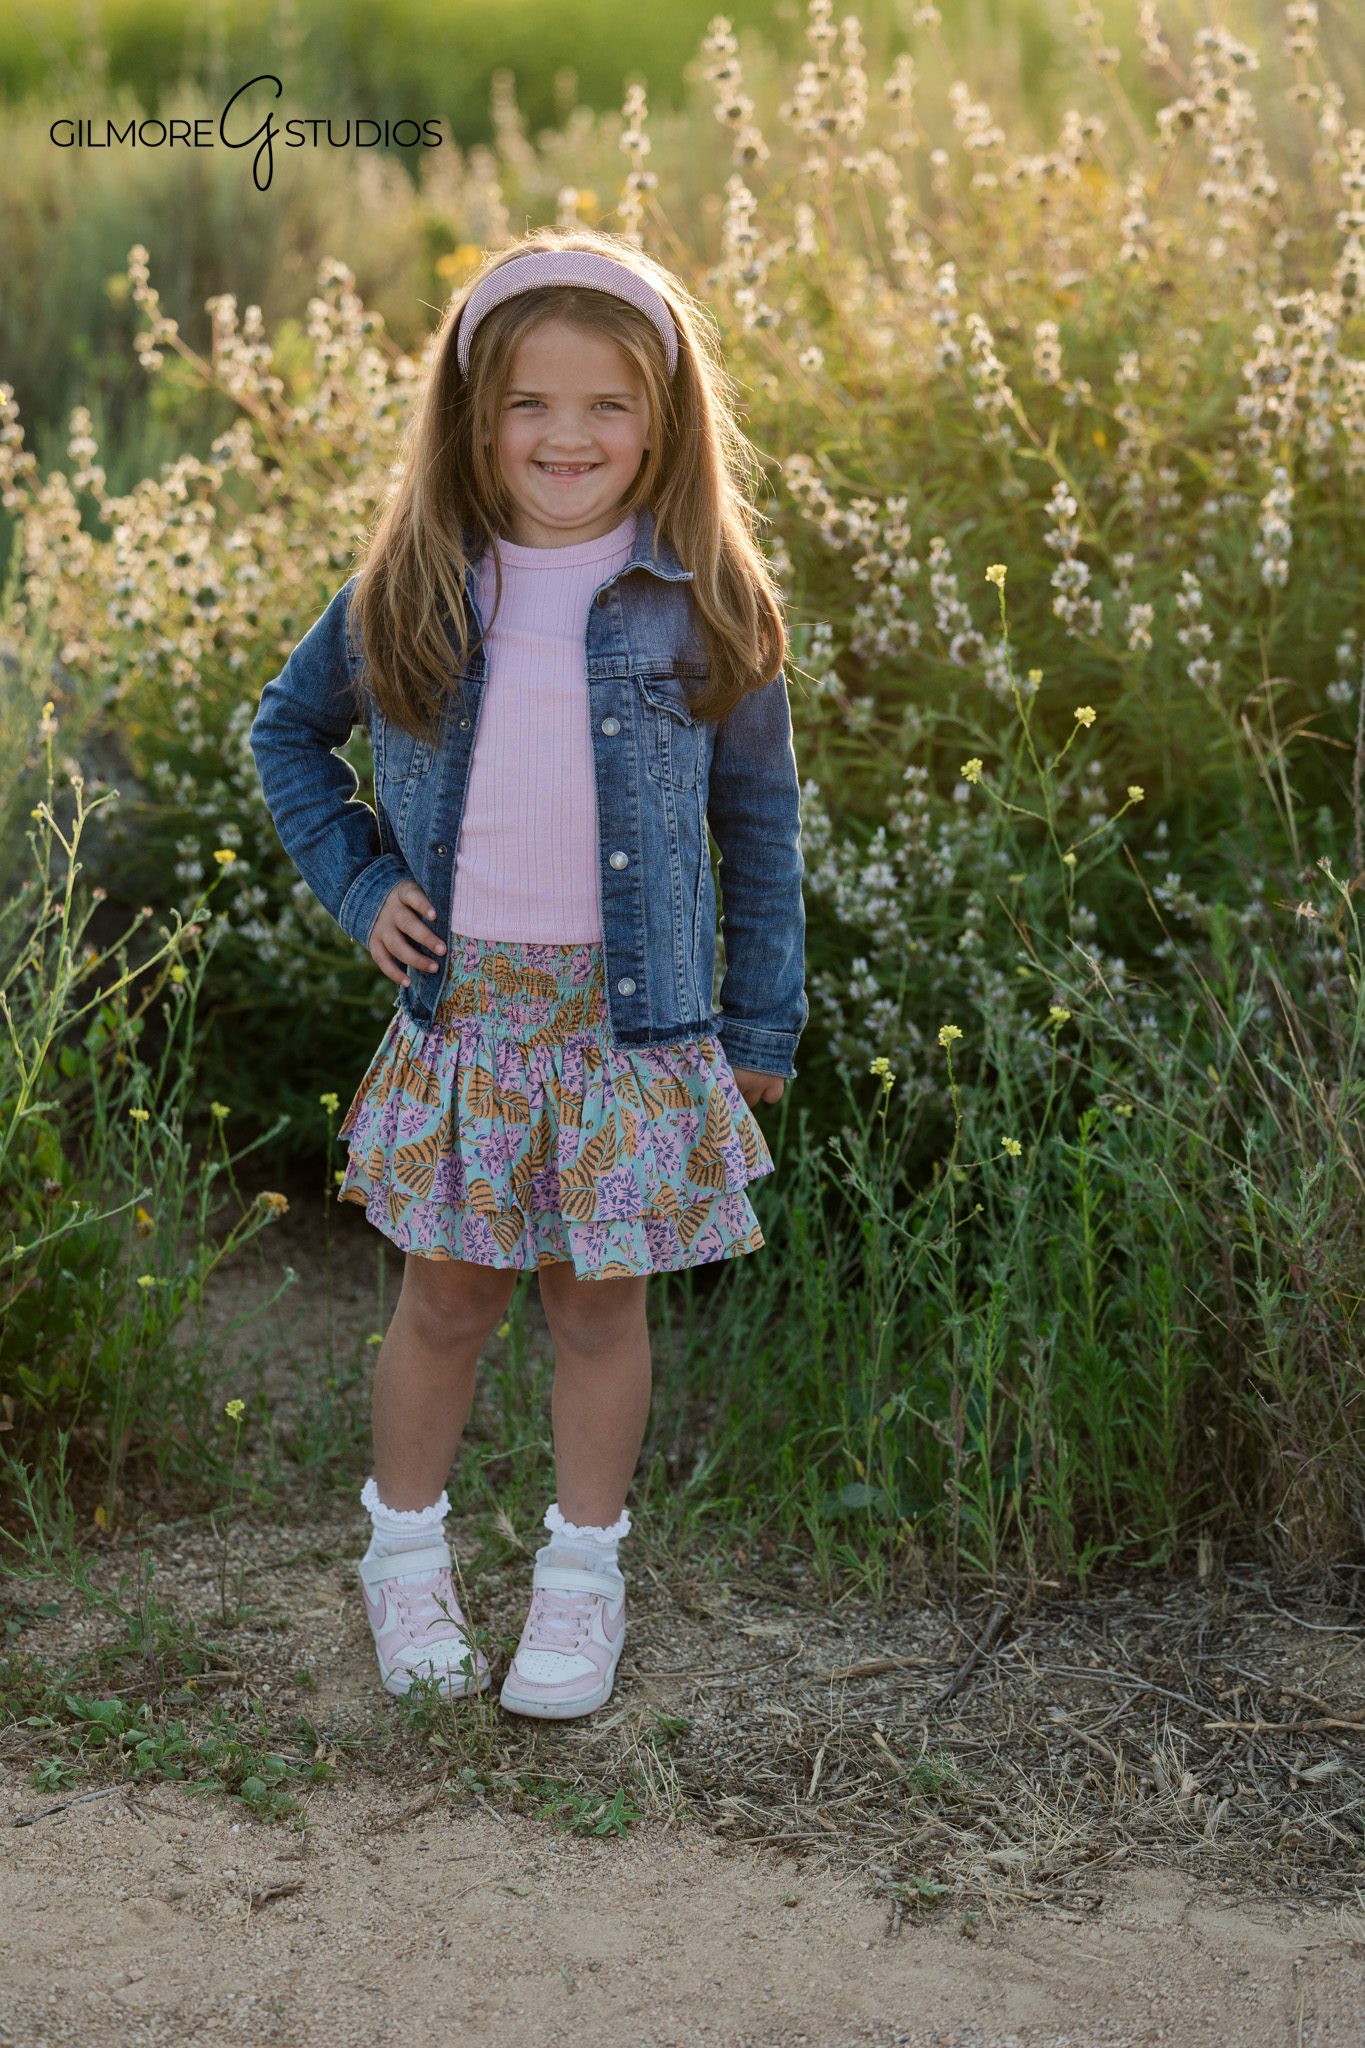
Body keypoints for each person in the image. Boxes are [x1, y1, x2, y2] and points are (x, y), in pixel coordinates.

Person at [248, 225, 808, 1721]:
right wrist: (363, 881)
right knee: (443, 1304)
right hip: (474, 1016)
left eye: (609, 405)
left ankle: (580, 1575)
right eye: (530, 406)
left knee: (597, 1314)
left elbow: (758, 821)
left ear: (663, 421)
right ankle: (405, 1556)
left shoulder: (702, 599)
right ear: (472, 417)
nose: (569, 438)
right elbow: (284, 733)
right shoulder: (420, 584)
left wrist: (757, 1020)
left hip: (634, 1032)